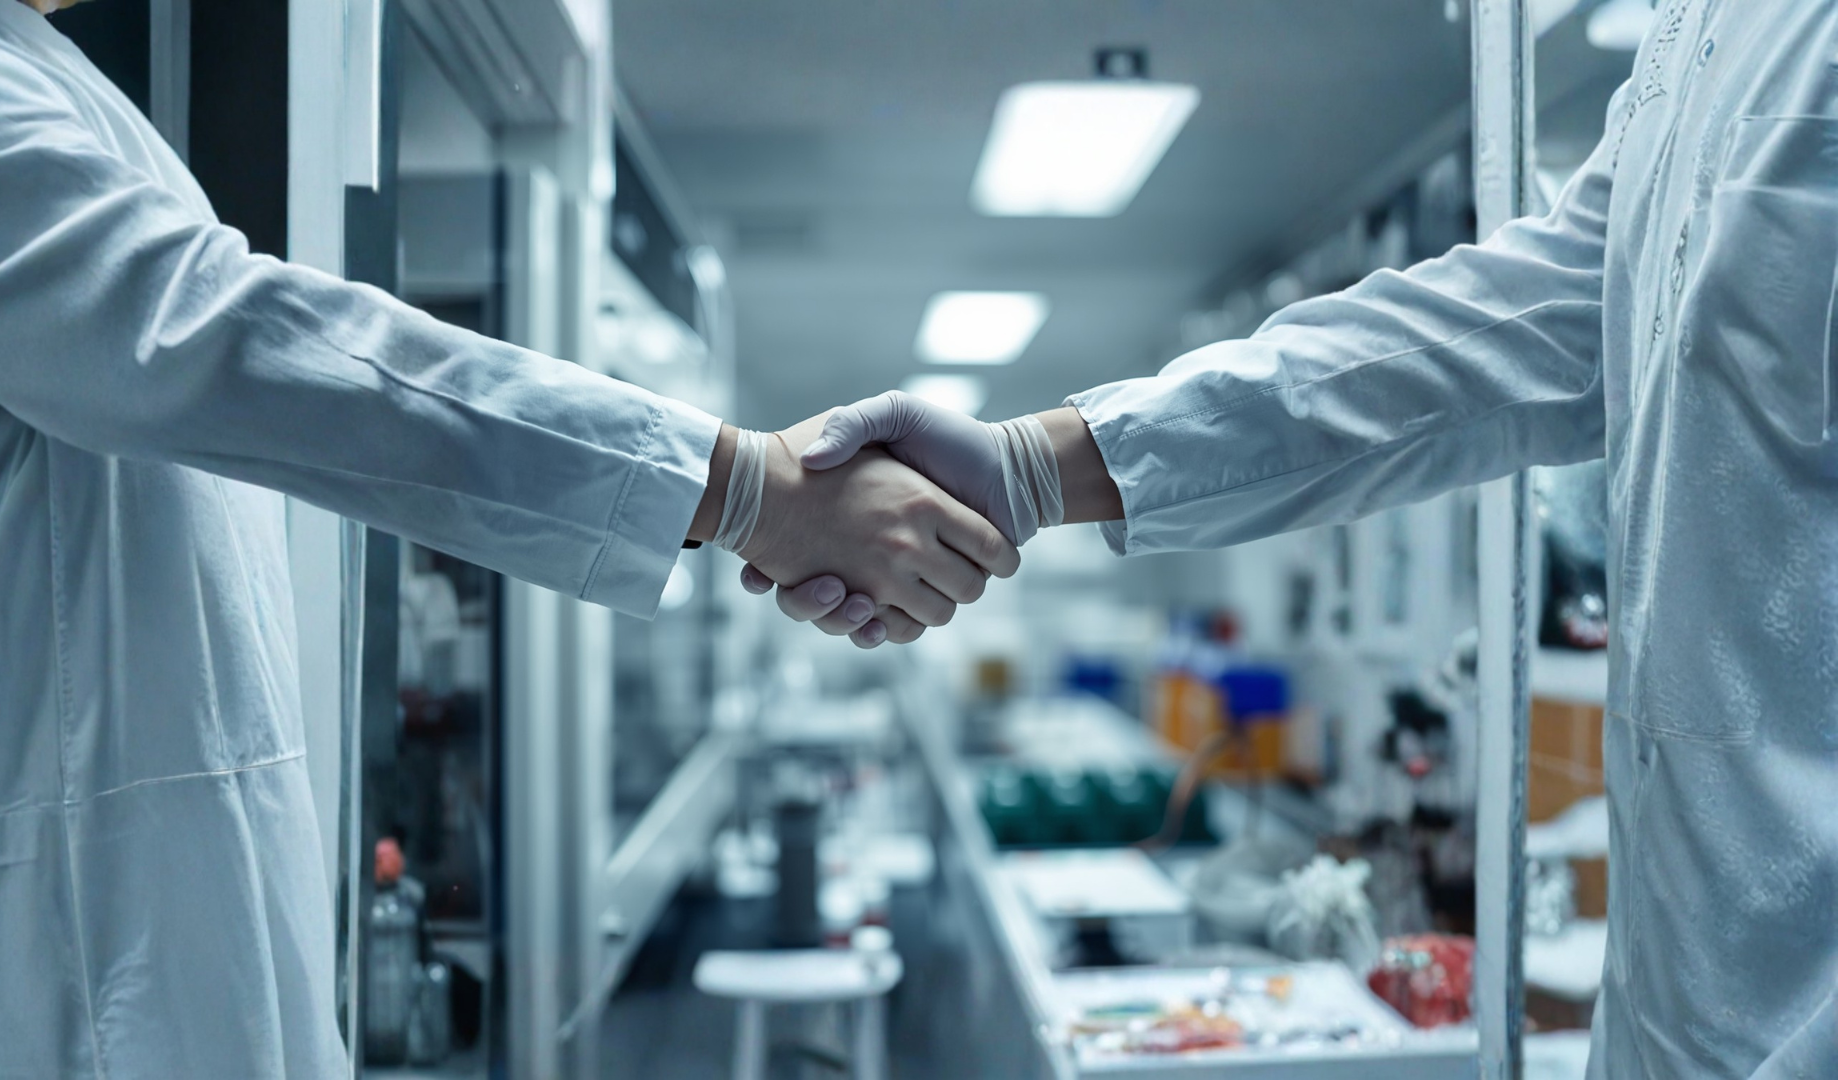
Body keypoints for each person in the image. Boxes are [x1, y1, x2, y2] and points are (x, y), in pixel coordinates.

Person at [0, 0, 1016, 1074]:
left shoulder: (44, 75)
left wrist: (770, 491)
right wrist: (746, 490)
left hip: (174, 936)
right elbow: (219, 337)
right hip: (55, 974)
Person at [765, 4, 1838, 1077]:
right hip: (1666, 1025)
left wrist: (760, 499)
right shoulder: (1695, 36)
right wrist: (1038, 465)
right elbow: (1501, 332)